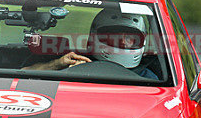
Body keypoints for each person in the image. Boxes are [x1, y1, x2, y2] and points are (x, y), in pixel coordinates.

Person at [27, 9, 158, 79]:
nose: (123, 42)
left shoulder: (147, 78)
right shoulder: (75, 64)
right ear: (95, 37)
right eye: (116, 36)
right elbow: (24, 73)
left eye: (130, 38)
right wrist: (56, 65)